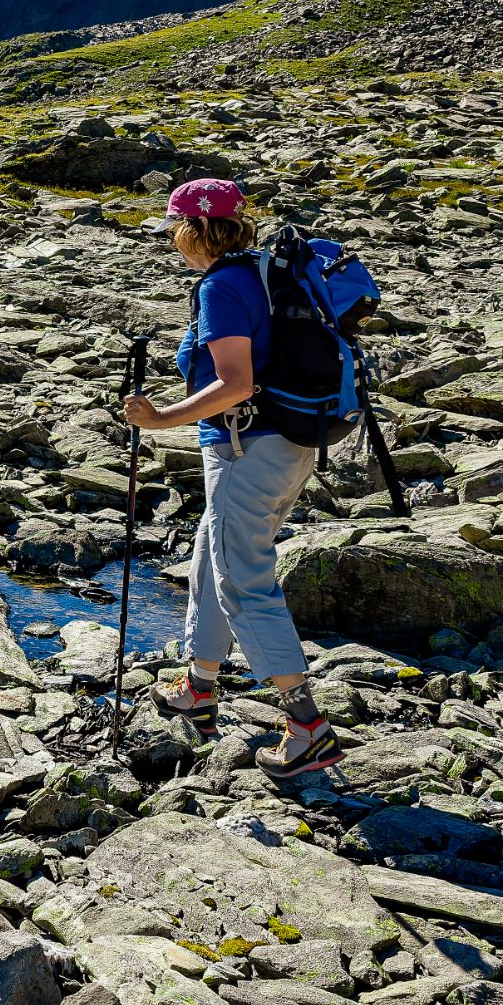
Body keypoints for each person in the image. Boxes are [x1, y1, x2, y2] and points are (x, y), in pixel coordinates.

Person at [122, 177, 344, 779]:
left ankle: (307, 728)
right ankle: (200, 684)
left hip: (249, 448)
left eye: (174, 227)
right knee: (210, 557)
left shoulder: (221, 285)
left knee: (244, 581)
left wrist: (162, 417)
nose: (170, 238)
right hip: (288, 442)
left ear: (195, 230)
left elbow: (237, 382)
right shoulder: (262, 272)